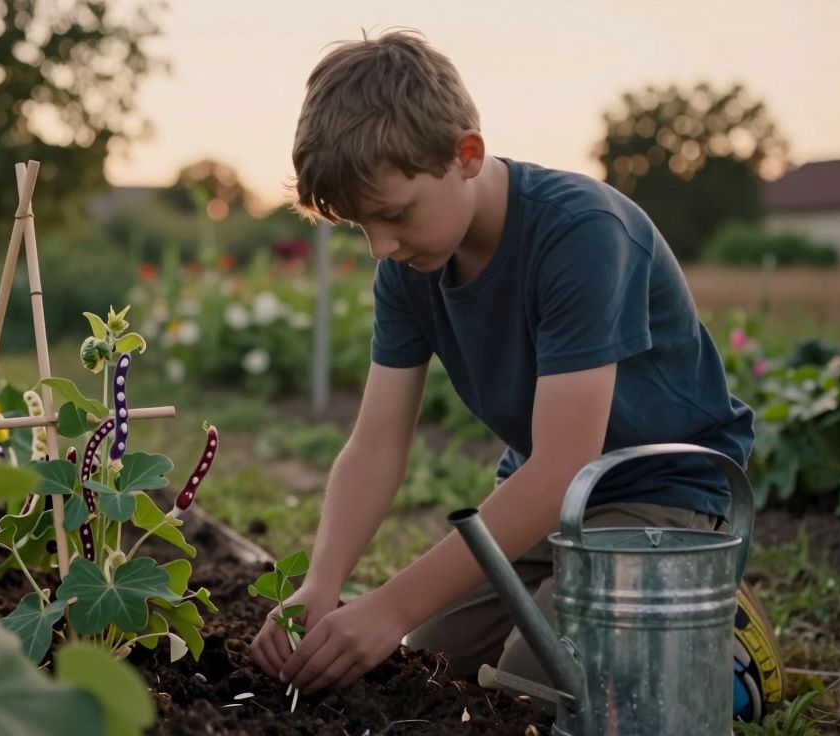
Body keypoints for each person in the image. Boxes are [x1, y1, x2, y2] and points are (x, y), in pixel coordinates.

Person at [248, 30, 782, 719]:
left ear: (465, 155)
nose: (381, 246)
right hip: (552, 510)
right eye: (361, 225)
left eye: (393, 214)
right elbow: (377, 442)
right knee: (428, 663)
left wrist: (388, 605)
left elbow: (565, 464)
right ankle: (586, 607)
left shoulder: (583, 235)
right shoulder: (408, 271)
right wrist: (323, 584)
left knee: (534, 693)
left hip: (664, 498)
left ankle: (725, 642)